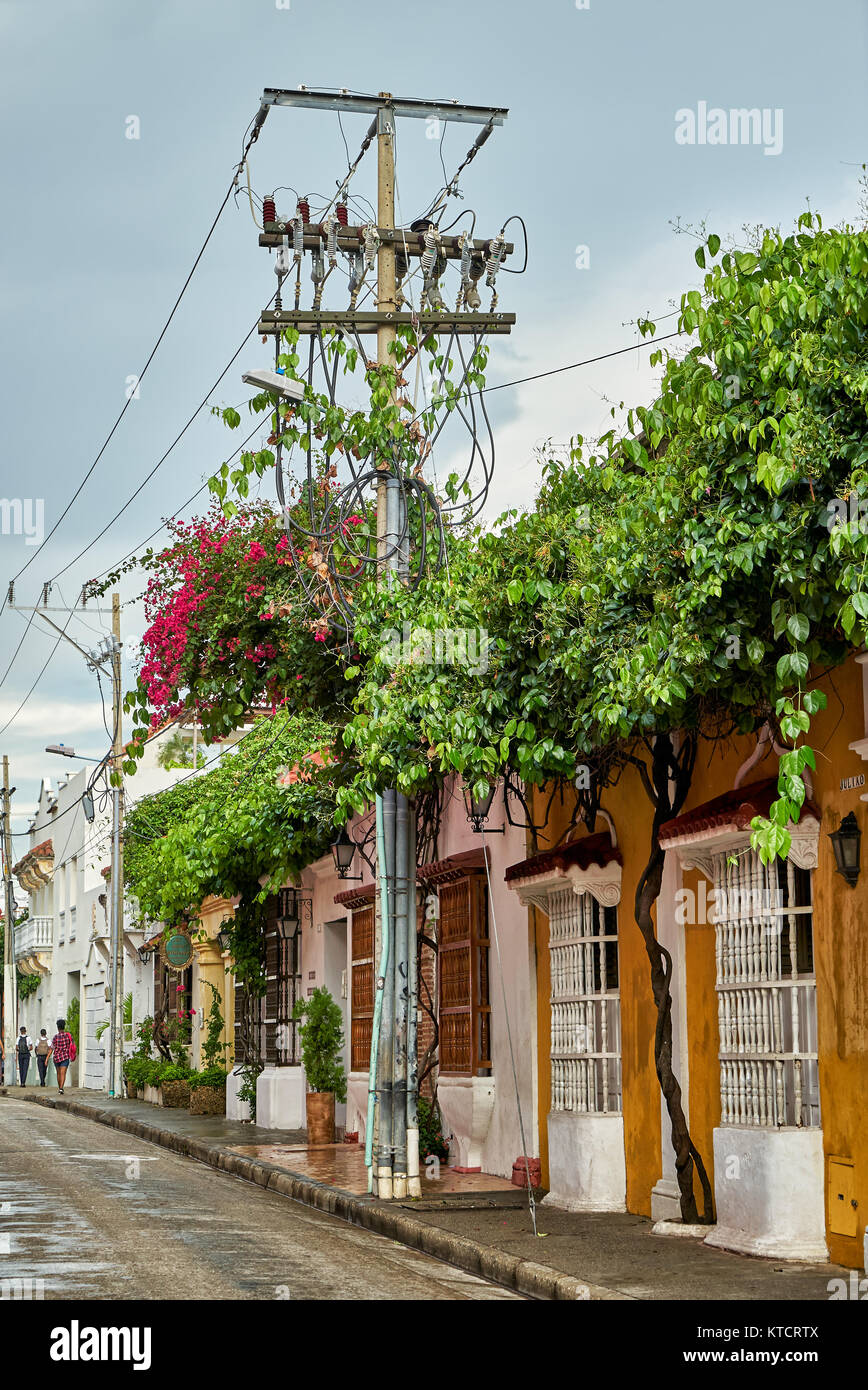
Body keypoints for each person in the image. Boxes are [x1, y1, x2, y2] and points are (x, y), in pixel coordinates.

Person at [49, 1019, 75, 1095]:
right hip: (65, 1057)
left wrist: (47, 1058)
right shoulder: (68, 1036)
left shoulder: (55, 1037)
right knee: (63, 1073)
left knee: (58, 1073)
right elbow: (72, 1045)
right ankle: (61, 1088)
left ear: (57, 1027)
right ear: (64, 1026)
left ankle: (59, 1087)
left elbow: (52, 1048)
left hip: (56, 1058)